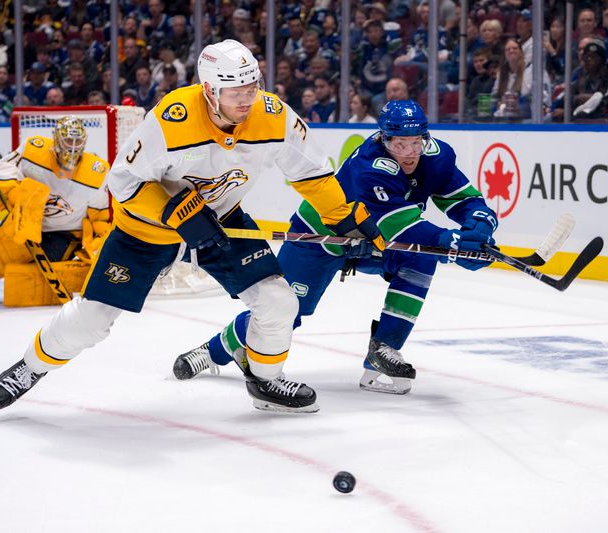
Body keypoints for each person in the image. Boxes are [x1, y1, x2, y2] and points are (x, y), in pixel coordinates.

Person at [0, 39, 384, 414]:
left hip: (221, 223)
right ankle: (30, 367)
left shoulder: (273, 115)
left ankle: (266, 381)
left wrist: (346, 219)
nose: (247, 99)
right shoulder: (172, 119)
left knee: (278, 300)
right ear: (210, 90)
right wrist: (176, 213)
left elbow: (311, 174)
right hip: (146, 231)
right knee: (93, 318)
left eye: (252, 86)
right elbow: (123, 181)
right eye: (236, 91)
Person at [171, 100, 497, 396]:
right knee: (286, 312)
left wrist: (480, 222)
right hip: (321, 238)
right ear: (384, 139)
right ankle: (213, 351)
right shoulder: (371, 166)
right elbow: (394, 226)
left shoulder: (434, 155)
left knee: (420, 259)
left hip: (368, 242)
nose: (411, 152)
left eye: (416, 142)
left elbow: (463, 198)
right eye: (400, 144)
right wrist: (449, 242)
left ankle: (383, 350)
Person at [0, 116, 111, 304]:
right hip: (27, 219)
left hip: (64, 234)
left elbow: (98, 214)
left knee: (25, 277)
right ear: (57, 138)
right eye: (68, 140)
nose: (72, 146)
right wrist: (14, 194)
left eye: (77, 141)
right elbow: (3, 168)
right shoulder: (33, 149)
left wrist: (96, 241)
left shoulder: (97, 173)